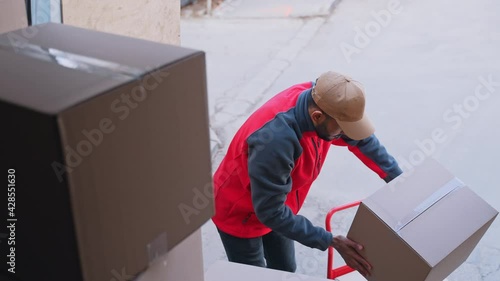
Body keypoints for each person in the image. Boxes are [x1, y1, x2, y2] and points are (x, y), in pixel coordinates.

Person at [211, 71, 402, 278]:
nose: (344, 135)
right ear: (317, 117)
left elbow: (361, 139)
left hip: (279, 203)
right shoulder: (276, 142)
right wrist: (330, 240)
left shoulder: (322, 97)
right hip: (241, 213)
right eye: (341, 130)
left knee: (285, 271)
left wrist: (398, 179)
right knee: (256, 276)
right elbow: (270, 213)